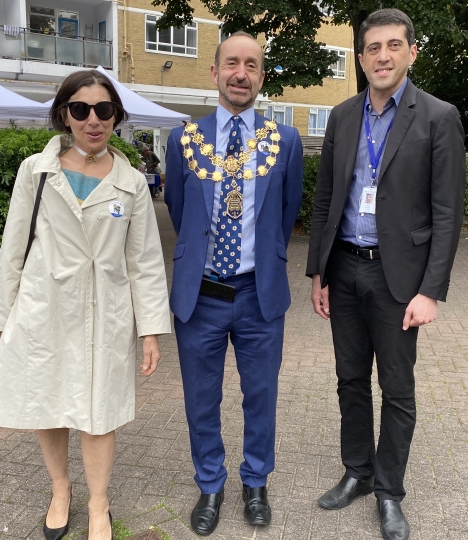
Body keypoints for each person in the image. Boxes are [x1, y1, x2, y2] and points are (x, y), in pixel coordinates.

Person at [0, 70, 171, 540]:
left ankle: (99, 505)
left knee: (99, 409)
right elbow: (12, 249)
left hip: (105, 312)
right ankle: (61, 490)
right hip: (43, 308)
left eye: (104, 110)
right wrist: (2, 319)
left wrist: (150, 329)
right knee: (48, 402)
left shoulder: (131, 183)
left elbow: (145, 260)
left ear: (116, 117)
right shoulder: (36, 171)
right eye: (81, 109)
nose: (93, 119)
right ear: (64, 114)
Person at [306, 9, 465, 540]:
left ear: (411, 52)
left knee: (396, 390)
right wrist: (317, 273)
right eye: (373, 48)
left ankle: (390, 492)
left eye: (393, 46)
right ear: (360, 57)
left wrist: (431, 291)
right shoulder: (343, 116)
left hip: (399, 281)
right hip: (345, 269)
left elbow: (448, 212)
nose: (383, 56)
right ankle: (357, 471)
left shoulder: (438, 117)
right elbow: (327, 196)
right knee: (350, 380)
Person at [164, 32, 303, 536]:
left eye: (251, 65)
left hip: (258, 294)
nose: (240, 73)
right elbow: (180, 209)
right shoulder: (184, 139)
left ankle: (256, 482)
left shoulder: (283, 141)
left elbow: (285, 213)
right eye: (231, 64)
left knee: (260, 395)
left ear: (261, 76)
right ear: (215, 72)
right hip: (199, 296)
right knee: (201, 397)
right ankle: (210, 484)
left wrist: (260, 259)